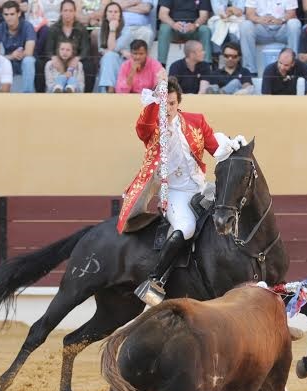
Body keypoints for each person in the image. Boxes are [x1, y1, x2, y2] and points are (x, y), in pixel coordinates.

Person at [117, 74, 247, 305]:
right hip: (175, 194)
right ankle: (155, 280)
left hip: (202, 189)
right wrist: (153, 104)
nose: (167, 109)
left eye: (171, 103)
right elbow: (142, 128)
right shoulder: (153, 128)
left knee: (229, 214)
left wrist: (233, 146)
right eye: (163, 104)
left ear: (178, 103)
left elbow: (216, 149)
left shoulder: (196, 121)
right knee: (186, 228)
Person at [239, 0, 302, 76]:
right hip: (262, 29)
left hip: (282, 28)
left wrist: (281, 20)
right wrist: (260, 19)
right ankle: (250, 71)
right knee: (245, 25)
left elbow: (292, 13)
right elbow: (249, 14)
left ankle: (292, 68)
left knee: (294, 23)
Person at [45, 0, 94, 91]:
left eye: (71, 11)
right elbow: (48, 49)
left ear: (75, 12)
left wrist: (77, 58)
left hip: (75, 58)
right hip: (59, 57)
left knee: (89, 66)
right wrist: (54, 57)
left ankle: (86, 93)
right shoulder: (53, 29)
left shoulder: (81, 29)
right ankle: (52, 89)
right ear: (61, 12)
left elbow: (85, 49)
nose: (68, 13)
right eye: (65, 10)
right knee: (46, 64)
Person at [0, 0, 36, 92]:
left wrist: (18, 55)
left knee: (29, 61)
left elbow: (29, 52)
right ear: (2, 15)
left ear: (19, 14)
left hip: (22, 61)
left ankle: (28, 95)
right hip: (7, 61)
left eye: (12, 14)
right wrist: (12, 56)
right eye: (6, 15)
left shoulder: (28, 26)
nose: (9, 18)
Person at [157, 0, 213, 67]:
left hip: (193, 30)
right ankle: (161, 65)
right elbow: (162, 14)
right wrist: (173, 24)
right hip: (174, 30)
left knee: (205, 30)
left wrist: (195, 25)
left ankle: (206, 66)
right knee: (164, 28)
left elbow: (204, 16)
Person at [97, 1, 131, 92]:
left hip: (123, 63)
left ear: (120, 15)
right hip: (107, 61)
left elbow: (112, 48)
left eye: (116, 12)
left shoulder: (126, 30)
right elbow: (101, 50)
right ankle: (109, 88)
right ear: (106, 15)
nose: (113, 14)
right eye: (110, 12)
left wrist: (112, 29)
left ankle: (109, 90)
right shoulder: (101, 30)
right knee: (109, 57)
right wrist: (119, 51)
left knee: (109, 56)